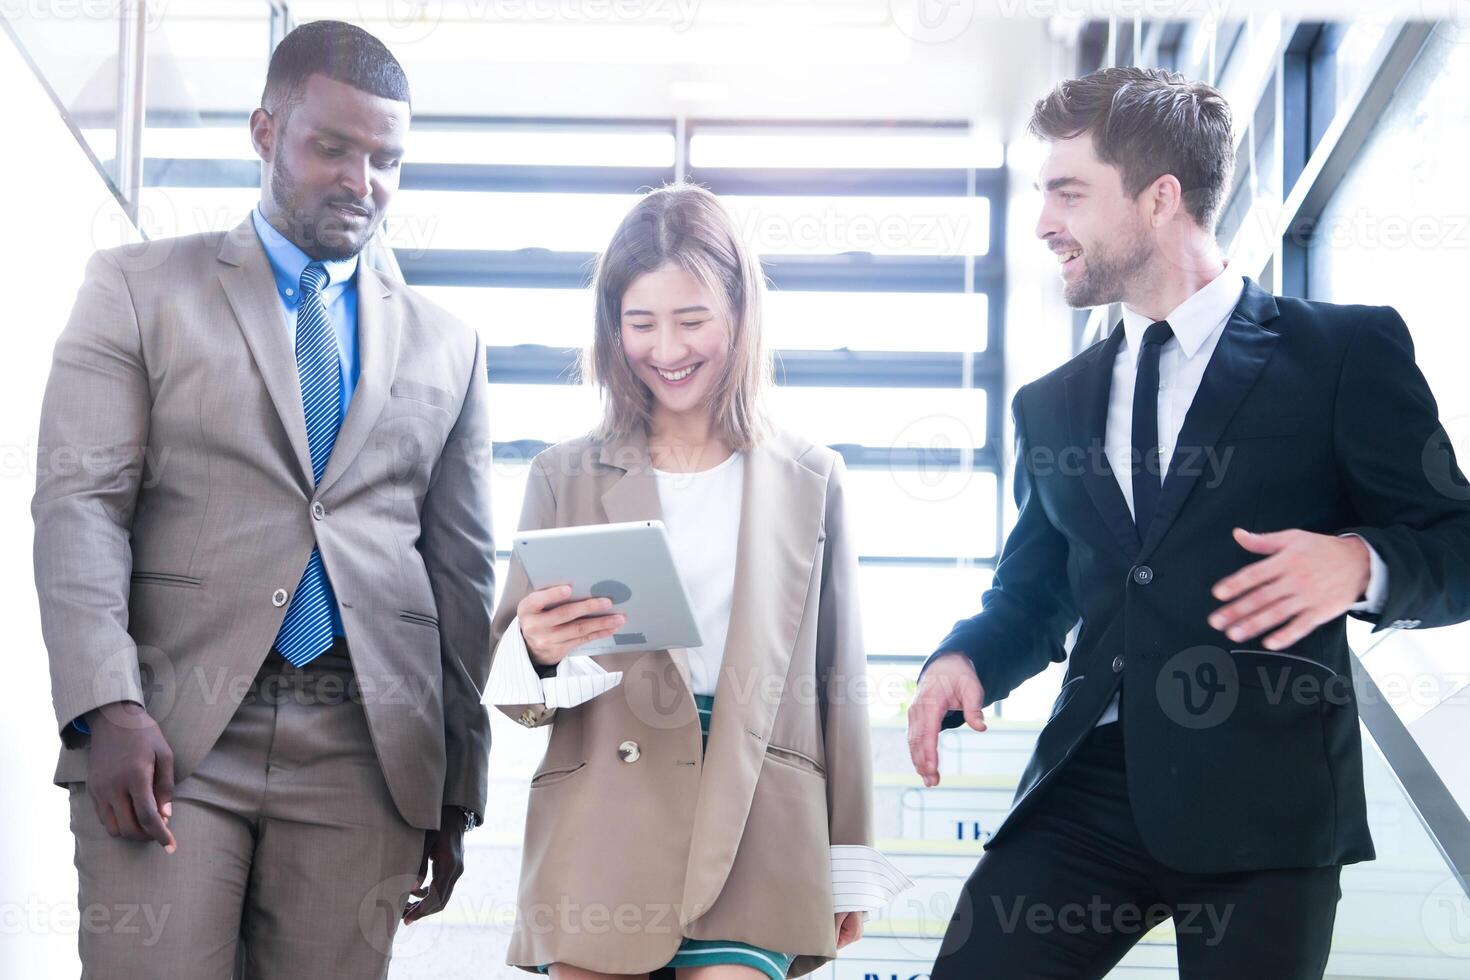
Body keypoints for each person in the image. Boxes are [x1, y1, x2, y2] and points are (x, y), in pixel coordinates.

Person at [907, 66, 1470, 979]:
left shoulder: (1341, 352)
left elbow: (1457, 542)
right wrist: (964, 657)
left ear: (1160, 197)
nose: (1045, 222)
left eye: (1068, 192)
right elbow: (1032, 594)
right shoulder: (1051, 406)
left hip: (1271, 808)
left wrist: (1359, 561)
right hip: (1088, 790)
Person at [32, 21, 494, 977]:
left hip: (367, 753)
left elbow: (460, 572)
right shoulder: (137, 287)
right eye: (332, 147)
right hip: (173, 739)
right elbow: (81, 505)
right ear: (265, 131)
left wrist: (457, 781)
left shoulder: (452, 345)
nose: (360, 181)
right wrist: (105, 706)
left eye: (385, 159)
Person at [485, 182, 908, 979]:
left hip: (755, 811)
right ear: (613, 328)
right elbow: (516, 692)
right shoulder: (562, 474)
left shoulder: (811, 478)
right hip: (607, 808)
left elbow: (838, 678)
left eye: (692, 320)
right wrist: (536, 651)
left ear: (740, 315)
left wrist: (849, 857)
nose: (666, 349)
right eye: (641, 323)